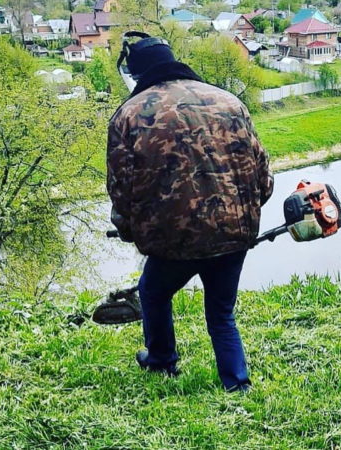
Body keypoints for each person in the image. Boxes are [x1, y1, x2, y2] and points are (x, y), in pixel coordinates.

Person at [106, 35, 274, 392]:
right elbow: (262, 173)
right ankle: (237, 383)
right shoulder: (229, 101)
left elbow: (121, 188)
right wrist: (245, 212)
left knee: (153, 292)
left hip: (171, 237)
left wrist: (128, 229)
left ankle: (162, 362)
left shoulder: (130, 114)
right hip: (233, 231)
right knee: (222, 312)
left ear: (137, 73)